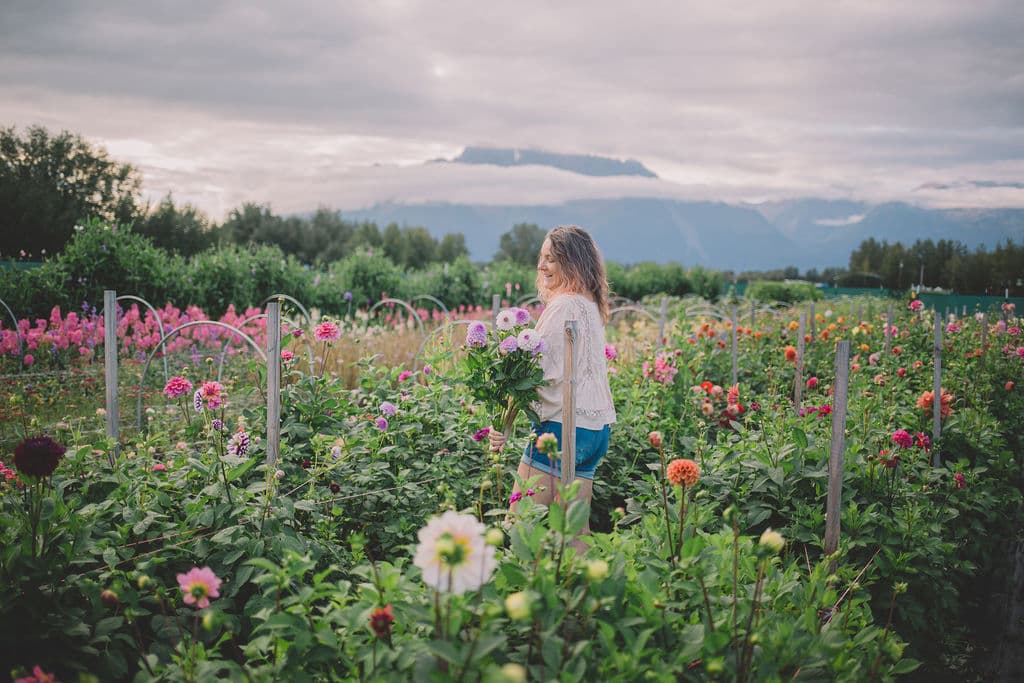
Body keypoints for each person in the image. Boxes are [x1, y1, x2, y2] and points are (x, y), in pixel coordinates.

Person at [489, 225, 617, 541]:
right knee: (575, 533)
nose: (541, 266)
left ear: (571, 263)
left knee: (517, 526)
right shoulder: (590, 304)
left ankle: (508, 586)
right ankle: (583, 588)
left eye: (551, 259)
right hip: (595, 430)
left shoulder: (562, 306)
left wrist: (504, 424)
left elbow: (532, 374)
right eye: (542, 258)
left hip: (561, 429)